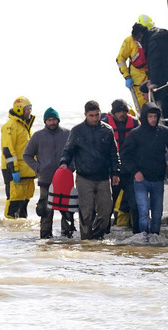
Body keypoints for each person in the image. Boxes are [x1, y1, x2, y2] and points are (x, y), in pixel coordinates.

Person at [59, 101, 121, 240]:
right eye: (91, 115)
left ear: (100, 113)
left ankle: (97, 237)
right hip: (84, 177)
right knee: (86, 212)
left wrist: (116, 172)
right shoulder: (77, 130)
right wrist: (64, 163)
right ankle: (86, 240)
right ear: (85, 115)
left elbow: (114, 153)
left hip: (103, 177)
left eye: (97, 115)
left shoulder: (107, 130)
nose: (95, 118)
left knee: (106, 211)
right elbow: (68, 150)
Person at [121, 102, 168, 236]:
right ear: (145, 117)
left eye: (155, 116)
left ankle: (155, 237)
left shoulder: (164, 132)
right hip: (141, 179)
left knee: (157, 214)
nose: (153, 119)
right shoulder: (135, 134)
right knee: (143, 211)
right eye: (150, 116)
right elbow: (125, 156)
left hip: (158, 179)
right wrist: (135, 172)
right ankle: (143, 237)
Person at [133, 23, 168, 143]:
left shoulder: (152, 42)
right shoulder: (166, 34)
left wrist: (153, 82)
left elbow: (155, 63)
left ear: (140, 37)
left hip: (167, 84)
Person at [23, 107, 73, 239]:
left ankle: (67, 237)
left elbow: (76, 154)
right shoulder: (38, 136)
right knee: (46, 211)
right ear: (45, 121)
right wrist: (38, 168)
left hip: (65, 181)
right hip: (46, 180)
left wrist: (70, 168)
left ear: (58, 120)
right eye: (49, 120)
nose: (52, 122)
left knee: (67, 211)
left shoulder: (68, 134)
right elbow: (27, 155)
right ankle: (45, 239)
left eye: (54, 119)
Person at [101, 99, 140, 233]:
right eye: (118, 111)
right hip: (113, 171)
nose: (122, 114)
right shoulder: (104, 124)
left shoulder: (135, 123)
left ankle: (138, 233)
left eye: (124, 111)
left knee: (135, 204)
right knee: (108, 205)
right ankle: (103, 232)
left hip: (130, 171)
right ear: (113, 112)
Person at [1, 96, 36, 219]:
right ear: (20, 109)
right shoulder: (10, 126)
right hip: (14, 170)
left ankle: (20, 232)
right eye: (27, 109)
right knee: (14, 201)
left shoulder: (25, 127)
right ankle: (9, 232)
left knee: (25, 201)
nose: (30, 111)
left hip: (27, 171)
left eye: (30, 108)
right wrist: (14, 169)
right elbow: (8, 150)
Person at [117, 14, 152, 112]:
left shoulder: (152, 39)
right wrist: (127, 77)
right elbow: (120, 59)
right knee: (143, 110)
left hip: (152, 79)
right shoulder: (129, 41)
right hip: (137, 83)